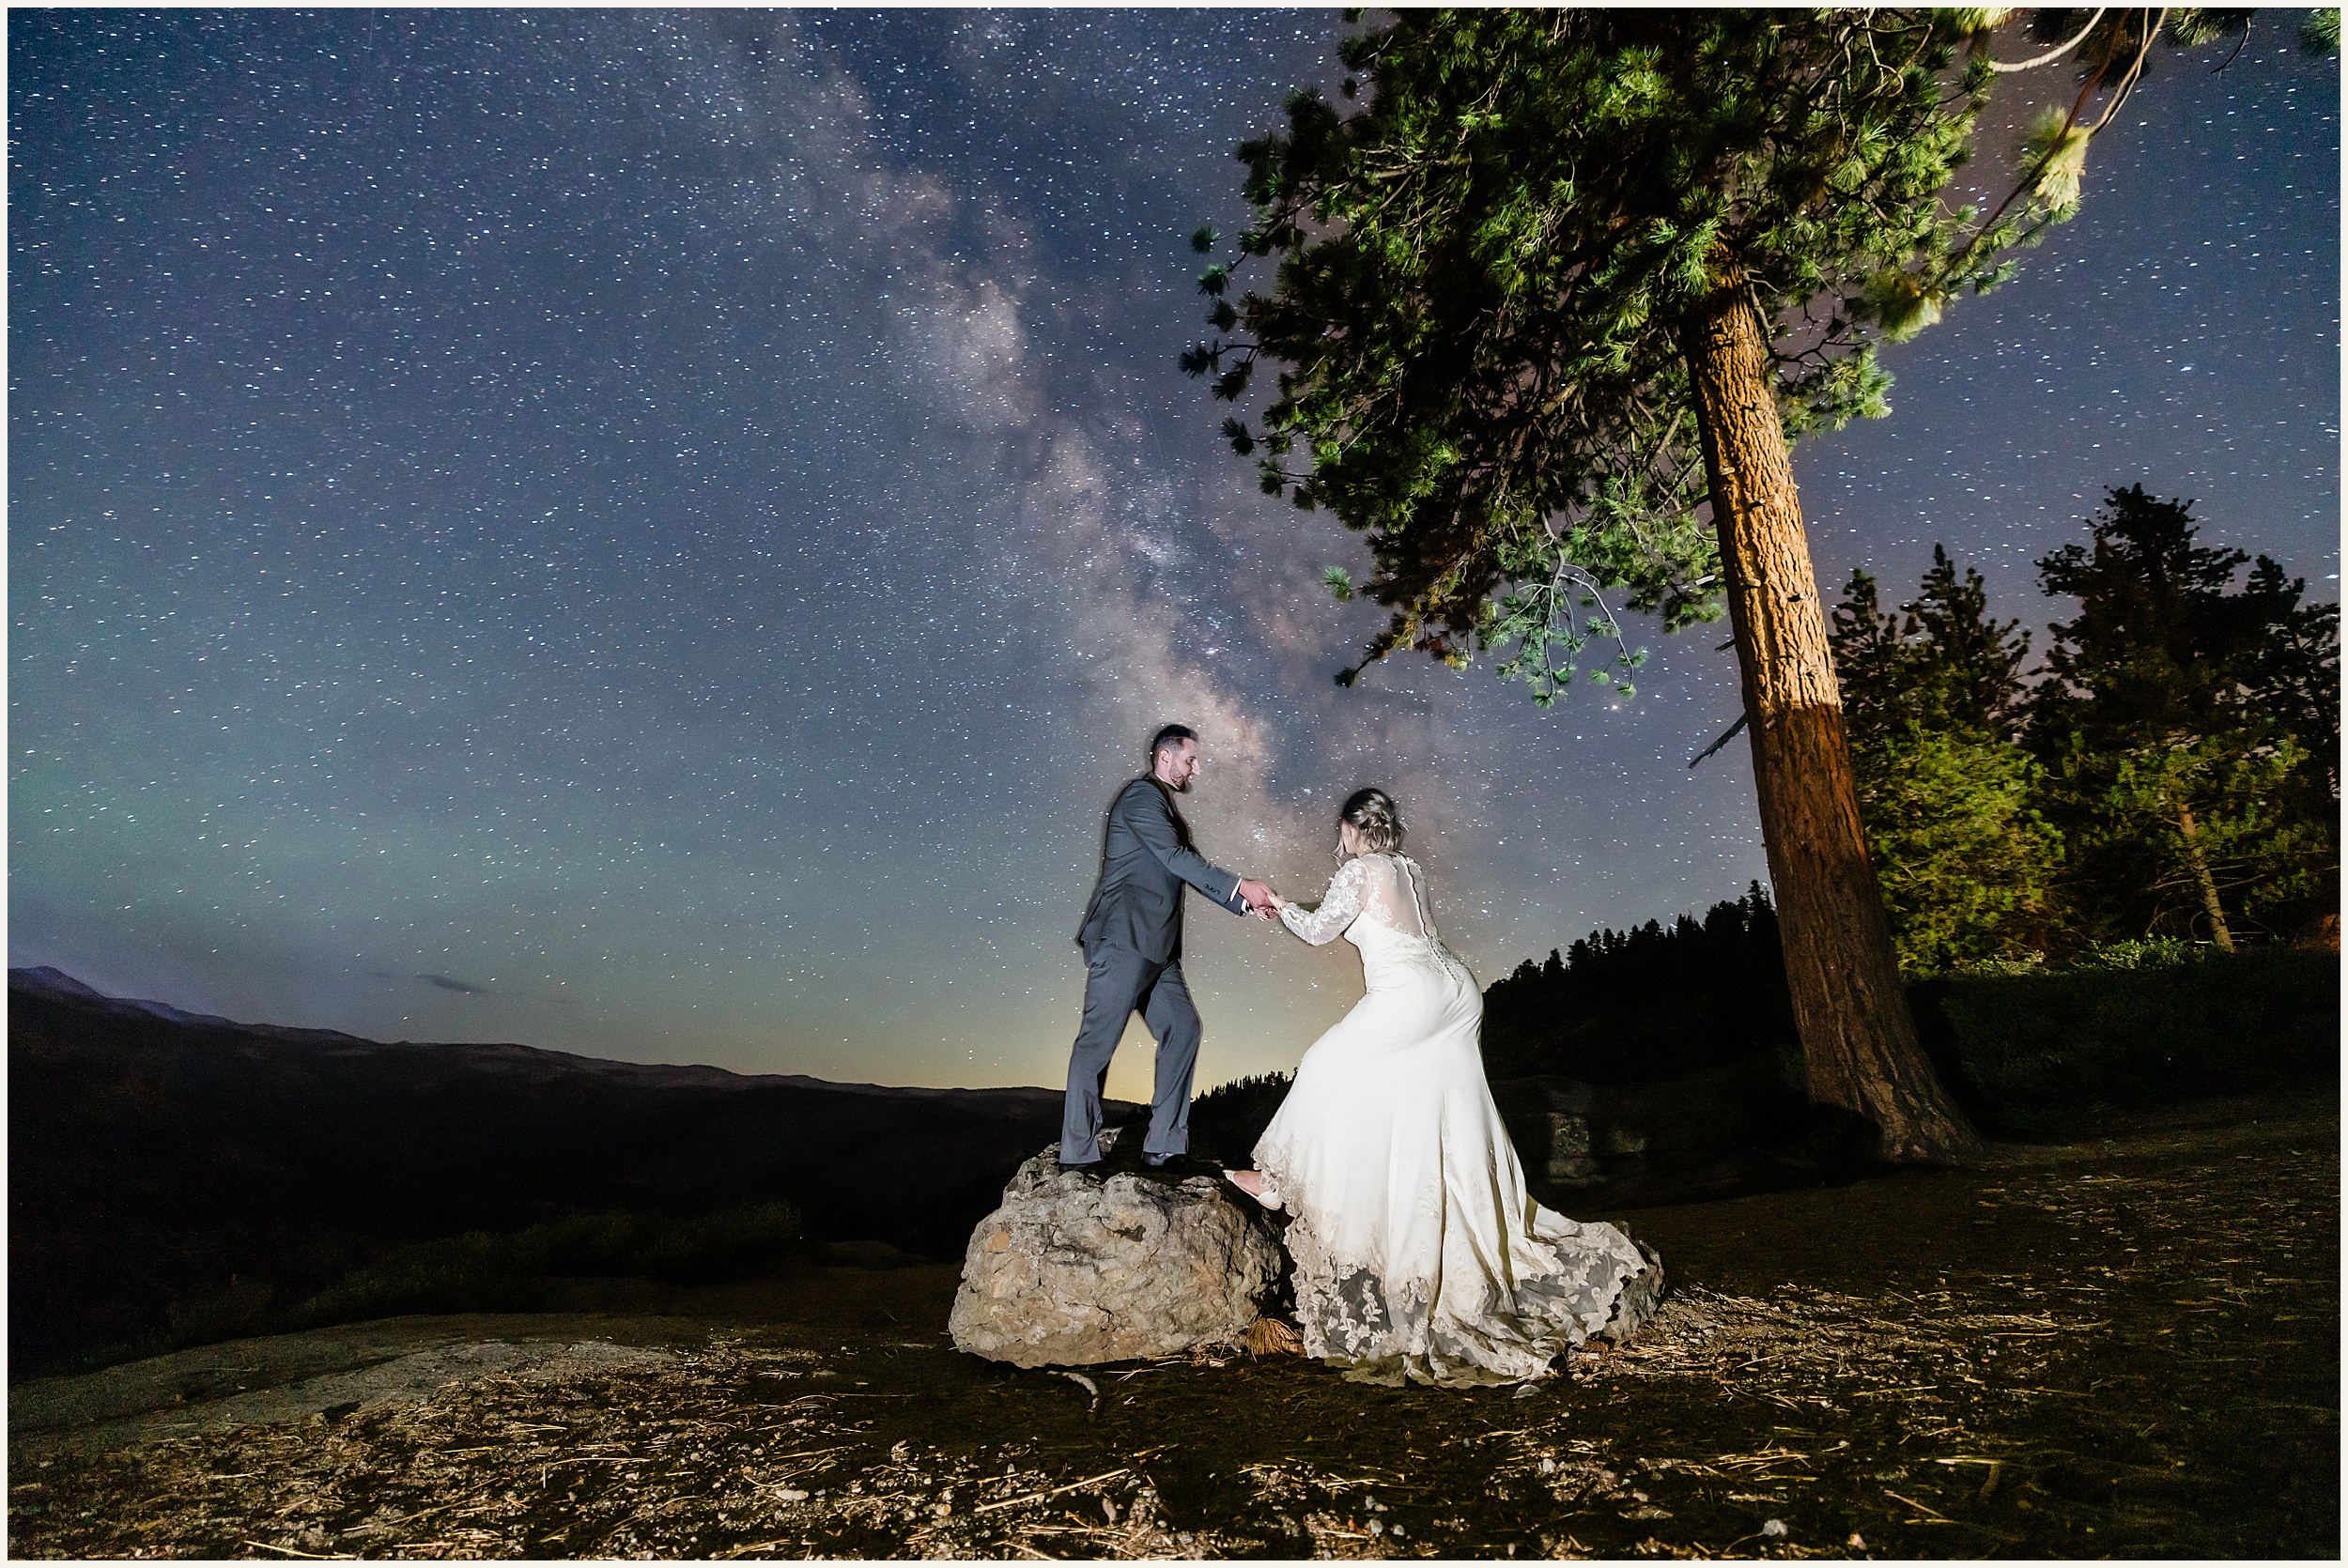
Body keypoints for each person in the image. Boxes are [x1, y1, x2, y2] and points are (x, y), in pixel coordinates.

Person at [1227, 788, 1660, 1388]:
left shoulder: (1358, 870)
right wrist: (1299, 906)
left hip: (1412, 994)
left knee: (1326, 1063)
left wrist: (1275, 901)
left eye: (1342, 831)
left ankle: (1277, 1180)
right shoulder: (1407, 869)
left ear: (1354, 829)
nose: (1341, 842)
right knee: (1436, 1113)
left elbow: (1321, 931)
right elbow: (1388, 922)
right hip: (1459, 991)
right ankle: (1442, 1219)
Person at [1061, 724, 1276, 1172]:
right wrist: (1241, 884)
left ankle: (1164, 1146)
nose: (1195, 768)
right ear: (1165, 757)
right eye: (1190, 760)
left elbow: (1186, 870)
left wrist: (1243, 903)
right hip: (1123, 939)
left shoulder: (1163, 808)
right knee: (1097, 1045)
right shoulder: (1141, 798)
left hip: (1158, 951)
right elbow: (1178, 860)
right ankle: (1077, 1154)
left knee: (1183, 1027)